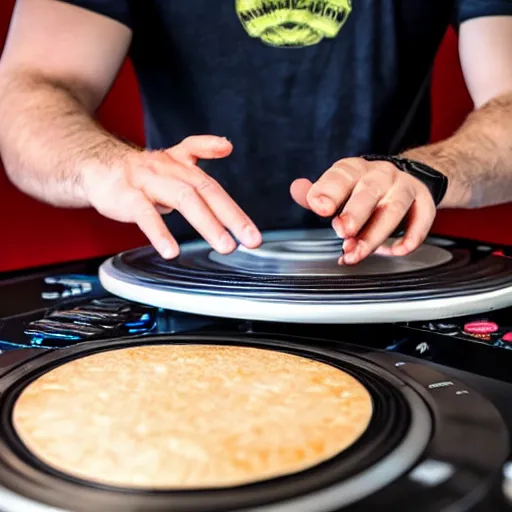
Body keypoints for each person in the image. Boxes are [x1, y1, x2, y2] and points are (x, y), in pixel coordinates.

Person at [0, 0, 511, 266]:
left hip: (387, 278)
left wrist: (424, 172)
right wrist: (101, 165)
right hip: (190, 286)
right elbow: (30, 89)